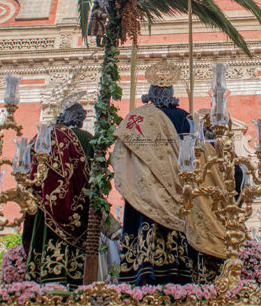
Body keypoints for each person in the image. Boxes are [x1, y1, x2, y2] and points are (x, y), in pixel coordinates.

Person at [111, 60, 225, 285]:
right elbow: (198, 156)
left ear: (150, 94)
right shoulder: (185, 118)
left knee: (145, 231)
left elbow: (121, 156)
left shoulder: (136, 118)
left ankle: (142, 271)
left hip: (143, 193)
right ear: (172, 94)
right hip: (178, 192)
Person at [22, 103, 94, 286]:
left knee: (42, 239)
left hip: (43, 207)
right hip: (75, 208)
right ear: (77, 118)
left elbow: (28, 170)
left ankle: (38, 276)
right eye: (81, 117)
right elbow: (93, 175)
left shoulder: (41, 137)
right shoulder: (86, 138)